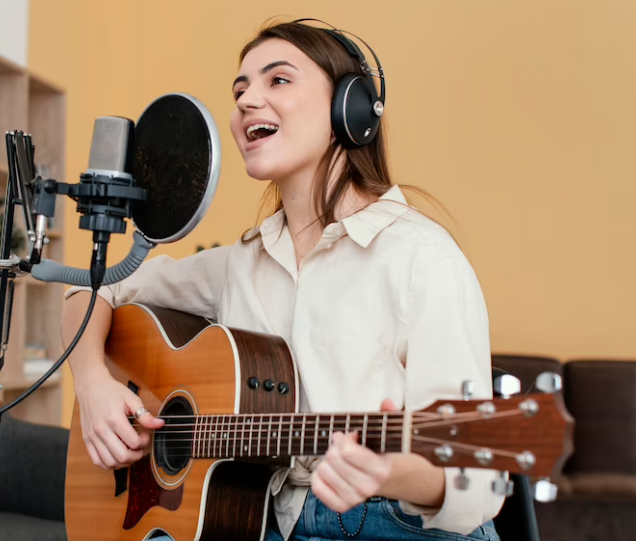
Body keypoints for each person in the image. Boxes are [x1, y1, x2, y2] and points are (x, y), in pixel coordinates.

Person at [61, 19, 504, 541]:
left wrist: (388, 472)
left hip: (393, 524)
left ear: (350, 108)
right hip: (264, 520)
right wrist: (92, 384)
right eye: (240, 89)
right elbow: (92, 289)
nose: (248, 99)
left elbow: (475, 481)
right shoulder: (240, 264)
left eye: (278, 80)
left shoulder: (422, 259)